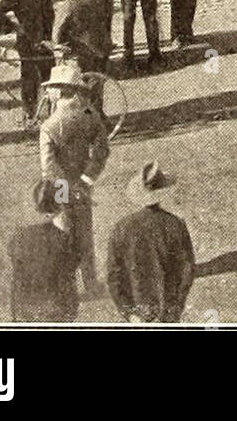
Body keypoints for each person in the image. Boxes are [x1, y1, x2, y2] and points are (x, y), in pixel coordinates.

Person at [39, 63, 110, 297]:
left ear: (58, 92)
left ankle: (65, 286)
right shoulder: (90, 114)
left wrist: (65, 185)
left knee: (63, 234)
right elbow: (101, 152)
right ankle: (91, 283)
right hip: (83, 183)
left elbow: (48, 165)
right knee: (85, 232)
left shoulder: (49, 126)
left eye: (51, 89)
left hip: (60, 186)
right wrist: (85, 179)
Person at [106, 161, 195, 322]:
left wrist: (129, 313)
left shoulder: (121, 228)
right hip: (168, 309)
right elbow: (187, 270)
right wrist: (176, 307)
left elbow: (113, 276)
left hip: (138, 311)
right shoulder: (175, 224)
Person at [0, 0, 54, 126]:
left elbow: (49, 14)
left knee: (50, 80)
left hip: (45, 42)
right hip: (27, 43)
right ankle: (29, 116)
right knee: (29, 81)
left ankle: (50, 115)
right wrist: (13, 27)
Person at [8, 179, 79, 322]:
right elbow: (72, 267)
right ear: (61, 209)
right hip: (56, 310)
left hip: (23, 310)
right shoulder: (64, 239)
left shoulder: (19, 236)